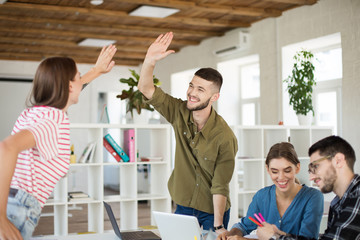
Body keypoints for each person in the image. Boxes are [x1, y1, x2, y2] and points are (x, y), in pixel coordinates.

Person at [0, 45, 117, 240]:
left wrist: (95, 71)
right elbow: (7, 147)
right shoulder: (54, 120)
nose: (81, 81)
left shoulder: (34, 113)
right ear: (70, 86)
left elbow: (69, 89)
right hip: (19, 208)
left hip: (13, 201)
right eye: (78, 77)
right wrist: (1, 218)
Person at [137, 32, 238, 233]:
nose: (192, 93)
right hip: (183, 204)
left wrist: (218, 226)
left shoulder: (225, 137)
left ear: (214, 97)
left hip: (213, 211)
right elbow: (145, 88)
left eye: (201, 89)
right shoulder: (178, 111)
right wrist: (149, 61)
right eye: (191, 86)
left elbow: (220, 185)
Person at [257, 135, 360, 240]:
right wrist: (281, 235)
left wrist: (273, 237)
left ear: (338, 161)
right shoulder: (338, 203)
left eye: (316, 166)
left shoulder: (357, 197)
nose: (311, 177)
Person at [217, 142, 324, 240]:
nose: (281, 177)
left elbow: (308, 239)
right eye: (275, 171)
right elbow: (244, 226)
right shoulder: (262, 197)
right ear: (268, 169)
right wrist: (230, 235)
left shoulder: (313, 197)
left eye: (287, 171)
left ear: (297, 168)